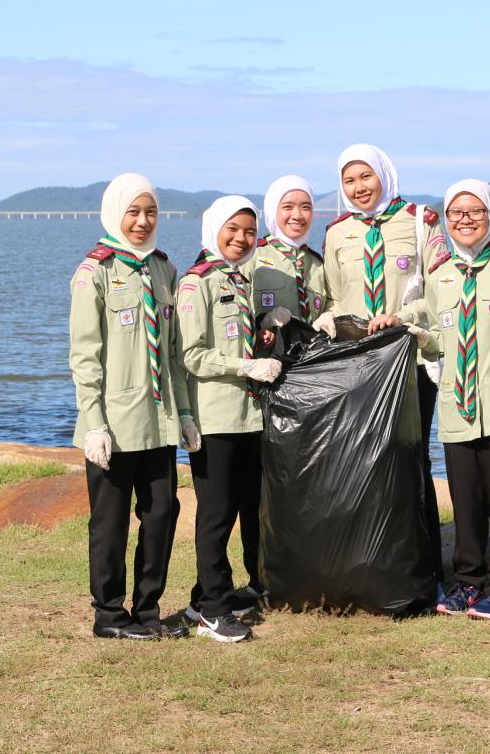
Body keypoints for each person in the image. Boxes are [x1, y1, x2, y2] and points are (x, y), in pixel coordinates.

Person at [398, 179, 490, 620]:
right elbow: (435, 332)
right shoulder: (441, 274)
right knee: (466, 501)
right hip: (457, 406)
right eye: (456, 213)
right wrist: (410, 329)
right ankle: (468, 581)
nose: (464, 220)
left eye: (474, 212)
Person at [68, 173, 200, 641]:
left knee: (162, 512)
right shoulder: (94, 272)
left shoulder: (163, 269)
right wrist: (94, 424)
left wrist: (184, 415)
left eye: (150, 213)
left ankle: (147, 609)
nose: (142, 221)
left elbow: (173, 354)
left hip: (158, 421)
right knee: (109, 521)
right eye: (134, 212)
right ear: (115, 213)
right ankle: (108, 613)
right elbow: (85, 357)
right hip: (113, 424)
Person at [319, 143, 452, 585]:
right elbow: (337, 298)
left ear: (384, 175)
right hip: (359, 365)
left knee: (411, 458)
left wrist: (404, 317)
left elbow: (442, 290)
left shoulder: (419, 221)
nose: (358, 188)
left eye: (365, 177)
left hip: (409, 360)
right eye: (349, 181)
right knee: (361, 459)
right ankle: (368, 563)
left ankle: (423, 565)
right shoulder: (338, 232)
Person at [177, 195, 284, 643]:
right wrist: (244, 366)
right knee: (216, 516)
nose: (241, 239)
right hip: (216, 417)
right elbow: (192, 354)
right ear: (213, 229)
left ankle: (203, 598)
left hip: (248, 416)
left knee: (243, 508)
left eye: (248, 231)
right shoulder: (196, 282)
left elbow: (236, 335)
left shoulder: (242, 279)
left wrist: (264, 325)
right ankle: (214, 613)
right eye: (232, 229)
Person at [245, 174, 327, 328]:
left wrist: (329, 315)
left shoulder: (317, 264)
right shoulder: (251, 256)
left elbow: (328, 305)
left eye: (306, 207)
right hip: (265, 351)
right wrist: (263, 323)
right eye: (287, 207)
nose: (297, 215)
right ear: (272, 210)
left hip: (313, 351)